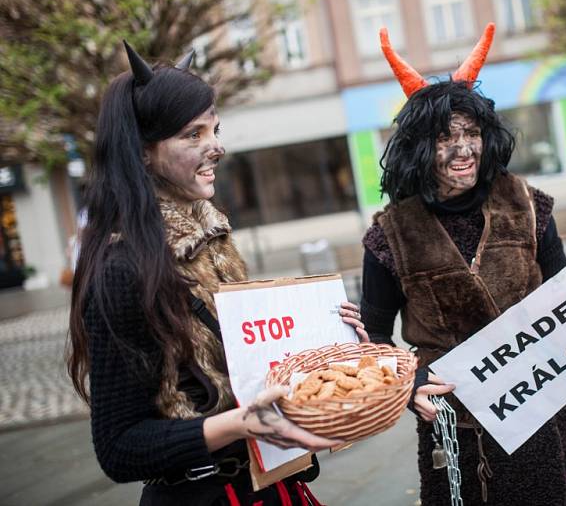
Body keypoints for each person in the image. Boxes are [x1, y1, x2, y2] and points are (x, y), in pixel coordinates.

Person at [67, 42, 367, 505]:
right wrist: (236, 425)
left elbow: (246, 366)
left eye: (215, 129)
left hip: (269, 485)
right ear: (143, 153)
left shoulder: (213, 238)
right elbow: (118, 448)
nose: (217, 147)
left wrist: (329, 342)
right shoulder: (121, 269)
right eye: (193, 135)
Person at [359, 24, 566, 505]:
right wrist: (412, 387)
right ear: (420, 148)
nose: (463, 149)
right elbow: (375, 340)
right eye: (446, 137)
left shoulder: (527, 205)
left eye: (472, 133)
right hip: (457, 432)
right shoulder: (390, 235)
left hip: (546, 416)